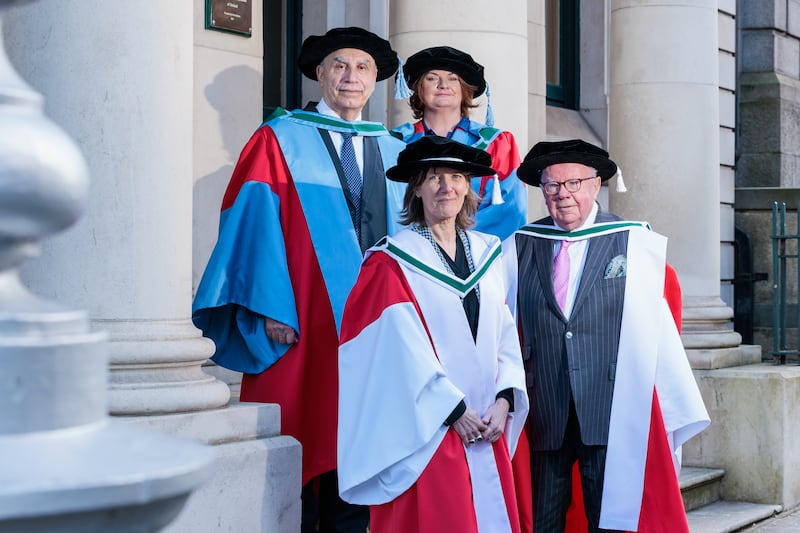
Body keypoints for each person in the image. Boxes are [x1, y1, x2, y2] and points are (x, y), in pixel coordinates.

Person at [192, 27, 407, 533]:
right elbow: (252, 226)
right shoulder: (279, 139)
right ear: (319, 72)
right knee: (298, 445)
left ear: (375, 80)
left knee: (362, 447)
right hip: (301, 319)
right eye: (339, 65)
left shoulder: (394, 150)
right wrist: (269, 306)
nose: (350, 77)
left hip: (376, 327)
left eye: (362, 68)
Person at [510, 139, 710, 532]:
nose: (562, 195)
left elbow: (659, 323)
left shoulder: (633, 242)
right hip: (545, 404)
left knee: (611, 519)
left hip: (610, 405)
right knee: (540, 520)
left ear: (596, 183)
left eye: (573, 183)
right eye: (551, 186)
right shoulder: (520, 245)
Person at [337, 135, 530, 533]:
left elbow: (505, 332)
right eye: (434, 177)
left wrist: (506, 398)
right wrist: (452, 410)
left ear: (468, 188)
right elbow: (395, 350)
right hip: (429, 431)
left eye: (456, 176)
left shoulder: (489, 253)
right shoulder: (391, 262)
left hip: (487, 424)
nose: (447, 186)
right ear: (417, 189)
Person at [392, 46, 527, 241]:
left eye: (453, 78)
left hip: (477, 257)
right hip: (409, 252)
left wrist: (457, 245)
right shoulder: (395, 142)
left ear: (465, 89)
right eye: (431, 78)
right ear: (418, 88)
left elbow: (510, 211)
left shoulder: (496, 143)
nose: (443, 85)